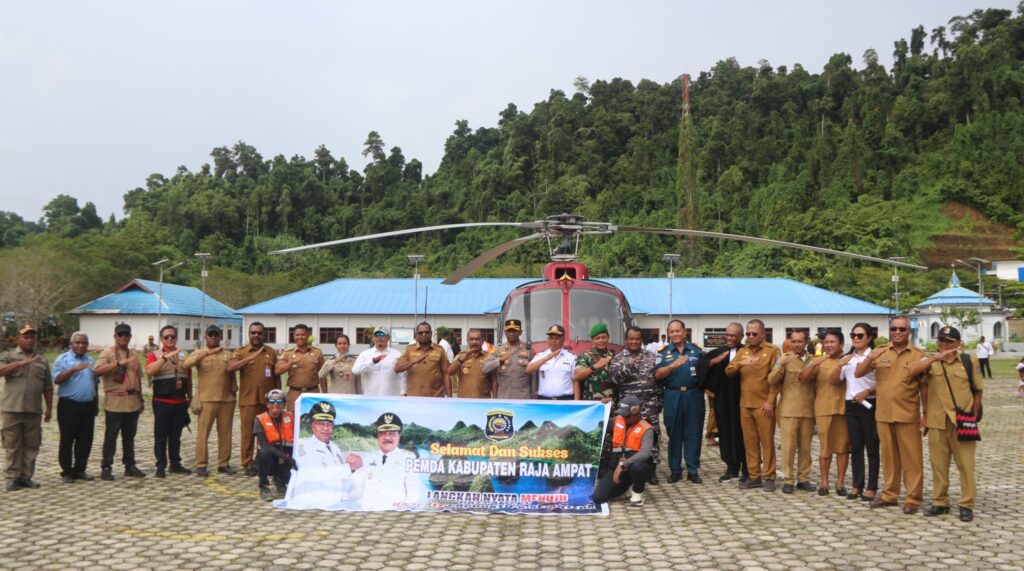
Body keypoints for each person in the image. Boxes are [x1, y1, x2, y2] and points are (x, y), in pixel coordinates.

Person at [910, 326, 983, 522]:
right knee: (938, 465)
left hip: (962, 421)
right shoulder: (931, 363)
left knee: (966, 465)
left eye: (949, 341)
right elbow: (917, 379)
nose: (944, 344)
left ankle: (966, 504)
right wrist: (935, 358)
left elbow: (978, 390)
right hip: (937, 420)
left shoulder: (969, 361)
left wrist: (973, 416)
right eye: (941, 340)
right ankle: (940, 502)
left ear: (959, 344)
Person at [854, 315, 926, 514]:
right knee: (889, 457)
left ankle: (913, 497)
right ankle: (889, 494)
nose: (897, 332)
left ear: (909, 331)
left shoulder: (918, 355)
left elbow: (924, 387)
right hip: (883, 413)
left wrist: (926, 413)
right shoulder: (880, 352)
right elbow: (858, 373)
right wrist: (871, 356)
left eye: (902, 329)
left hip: (907, 413)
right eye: (893, 329)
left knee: (912, 458)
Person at [725, 319, 781, 491]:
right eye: (748, 334)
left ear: (763, 334)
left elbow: (777, 378)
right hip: (746, 404)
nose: (751, 337)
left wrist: (770, 400)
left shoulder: (772, 351)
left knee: (767, 442)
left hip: (764, 405)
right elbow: (729, 371)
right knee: (750, 443)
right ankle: (754, 475)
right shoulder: (743, 352)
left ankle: (770, 476)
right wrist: (740, 363)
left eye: (754, 333)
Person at [0, 324, 53, 491]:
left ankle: (26, 477)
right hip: (12, 409)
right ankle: (12, 477)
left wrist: (49, 408)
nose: (29, 340)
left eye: (32, 337)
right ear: (18, 339)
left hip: (33, 410)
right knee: (13, 445)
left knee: (32, 445)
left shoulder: (42, 360)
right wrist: (21, 364)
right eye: (26, 336)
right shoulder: (9, 356)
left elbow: (48, 387)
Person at [609, 327, 663, 483]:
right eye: (631, 339)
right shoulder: (618, 359)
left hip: (649, 406)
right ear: (626, 340)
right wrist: (629, 366)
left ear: (642, 340)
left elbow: (659, 382)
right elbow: (614, 380)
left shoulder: (653, 357)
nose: (634, 341)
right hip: (628, 412)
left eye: (637, 339)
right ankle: (625, 469)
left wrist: (659, 402)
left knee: (652, 439)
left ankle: (651, 471)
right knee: (627, 439)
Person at [93, 323, 146, 481]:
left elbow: (138, 378)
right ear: (115, 336)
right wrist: (117, 363)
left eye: (126, 334)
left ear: (130, 337)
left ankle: (130, 466)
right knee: (111, 437)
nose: (123, 337)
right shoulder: (108, 353)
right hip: (115, 403)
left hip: (132, 402)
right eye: (120, 334)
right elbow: (97, 371)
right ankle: (106, 467)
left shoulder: (133, 355)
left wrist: (141, 399)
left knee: (129, 437)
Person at [655, 319, 705, 484]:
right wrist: (673, 366)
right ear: (668, 334)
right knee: (674, 433)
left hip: (693, 396)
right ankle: (675, 470)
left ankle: (692, 470)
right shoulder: (663, 353)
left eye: (678, 331)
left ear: (685, 332)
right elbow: (657, 375)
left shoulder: (697, 351)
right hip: (673, 396)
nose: (675, 334)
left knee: (693, 433)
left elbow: (705, 372)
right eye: (671, 331)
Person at [286, 400, 362, 508]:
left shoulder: (334, 447)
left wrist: (353, 467)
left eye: (329, 424)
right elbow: (315, 474)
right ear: (312, 425)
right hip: (316, 500)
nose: (326, 428)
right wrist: (348, 468)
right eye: (321, 423)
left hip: (337, 498)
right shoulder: (304, 447)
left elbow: (338, 474)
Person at [801, 330, 849, 496]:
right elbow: (803, 377)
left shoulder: (848, 359)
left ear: (841, 344)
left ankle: (841, 483)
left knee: (843, 448)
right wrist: (814, 363)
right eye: (826, 342)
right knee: (825, 448)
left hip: (843, 409)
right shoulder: (817, 360)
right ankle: (824, 482)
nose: (829, 345)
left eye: (832, 342)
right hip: (823, 409)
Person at [228, 321, 279, 477]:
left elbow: (276, 375)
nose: (256, 335)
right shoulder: (241, 352)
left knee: (268, 433)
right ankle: (247, 462)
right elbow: (230, 367)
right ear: (249, 334)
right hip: (248, 399)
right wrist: (249, 358)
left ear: (264, 334)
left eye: (259, 333)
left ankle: (265, 461)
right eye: (253, 333)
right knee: (248, 434)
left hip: (267, 401)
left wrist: (277, 396)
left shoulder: (270, 352)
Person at [185, 325, 237, 477]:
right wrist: (206, 353)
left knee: (225, 433)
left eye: (216, 335)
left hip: (226, 399)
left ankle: (224, 463)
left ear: (220, 337)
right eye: (210, 335)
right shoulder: (199, 352)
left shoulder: (228, 354)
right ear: (205, 337)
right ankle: (201, 464)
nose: (213, 338)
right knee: (203, 434)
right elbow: (186, 364)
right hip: (207, 399)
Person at [698, 322, 747, 482]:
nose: (730, 338)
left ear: (741, 336)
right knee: (725, 433)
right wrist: (712, 362)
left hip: (743, 400)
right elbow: (701, 367)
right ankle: (731, 468)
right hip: (723, 400)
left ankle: (747, 468)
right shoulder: (718, 352)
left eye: (734, 335)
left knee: (744, 435)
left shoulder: (747, 352)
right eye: (728, 334)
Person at [768, 329, 815, 494]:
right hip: (788, 411)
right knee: (788, 448)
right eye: (793, 341)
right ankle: (788, 479)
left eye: (799, 341)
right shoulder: (784, 359)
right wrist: (781, 364)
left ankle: (803, 478)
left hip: (808, 411)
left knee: (805, 448)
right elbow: (771, 380)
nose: (796, 344)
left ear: (806, 342)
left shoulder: (812, 361)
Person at [144, 325, 193, 478]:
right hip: (162, 402)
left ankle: (175, 464)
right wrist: (164, 358)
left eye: (172, 336)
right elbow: (150, 371)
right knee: (161, 436)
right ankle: (160, 466)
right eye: (166, 337)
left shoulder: (184, 354)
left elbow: (189, 376)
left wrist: (190, 396)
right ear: (161, 339)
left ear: (176, 338)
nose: (170, 339)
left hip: (179, 402)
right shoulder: (155, 354)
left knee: (175, 436)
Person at [839, 322, 880, 502]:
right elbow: (836, 380)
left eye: (860, 335)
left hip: (869, 404)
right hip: (851, 404)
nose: (856, 338)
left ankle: (871, 487)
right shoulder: (848, 357)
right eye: (853, 335)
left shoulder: (875, 357)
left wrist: (869, 391)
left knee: (871, 447)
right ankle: (857, 484)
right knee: (855, 447)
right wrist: (839, 364)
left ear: (870, 337)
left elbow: (885, 383)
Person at [350, 412, 424, 510]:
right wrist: (351, 469)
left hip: (393, 513)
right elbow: (355, 484)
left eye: (392, 434)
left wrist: (404, 511)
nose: (387, 438)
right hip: (366, 512)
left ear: (399, 437)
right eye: (383, 433)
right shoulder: (367, 457)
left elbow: (413, 491)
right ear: (378, 436)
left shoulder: (408, 458)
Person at [51, 331, 98, 483]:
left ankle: (80, 469)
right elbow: (57, 380)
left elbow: (95, 383)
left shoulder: (90, 360)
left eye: (84, 343)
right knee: (67, 439)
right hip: (68, 406)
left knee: (85, 439)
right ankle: (67, 471)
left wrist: (95, 404)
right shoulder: (62, 359)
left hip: (88, 405)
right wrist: (72, 370)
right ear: (71, 344)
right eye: (77, 342)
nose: (81, 345)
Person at [591, 396, 654, 507]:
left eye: (626, 415)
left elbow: (645, 453)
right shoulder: (617, 420)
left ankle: (637, 494)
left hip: (634, 467)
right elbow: (598, 424)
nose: (623, 418)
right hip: (617, 469)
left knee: (639, 467)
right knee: (598, 498)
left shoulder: (646, 429)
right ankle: (625, 487)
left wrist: (623, 464)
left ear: (636, 412)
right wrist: (600, 406)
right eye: (622, 414)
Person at [253, 389, 294, 501]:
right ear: (267, 404)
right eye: (272, 401)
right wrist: (285, 456)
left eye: (279, 401)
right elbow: (265, 446)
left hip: (286, 460)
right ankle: (263, 486)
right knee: (265, 452)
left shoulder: (290, 417)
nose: (275, 404)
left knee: (294, 486)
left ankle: (279, 479)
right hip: (269, 459)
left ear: (284, 404)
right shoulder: (259, 419)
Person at [275, 324, 325, 411]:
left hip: (312, 392)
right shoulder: (288, 353)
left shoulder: (317, 352)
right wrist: (290, 363)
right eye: (297, 335)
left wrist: (324, 395)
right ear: (293, 336)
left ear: (308, 336)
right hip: (294, 393)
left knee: (313, 418)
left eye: (303, 334)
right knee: (293, 420)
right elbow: (277, 371)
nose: (300, 337)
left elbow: (323, 375)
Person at [482, 320, 535, 399]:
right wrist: (500, 360)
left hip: (523, 397)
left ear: (520, 332)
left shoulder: (529, 350)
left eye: (515, 331)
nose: (512, 334)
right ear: (505, 332)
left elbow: (534, 376)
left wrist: (534, 395)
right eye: (509, 331)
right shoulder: (497, 349)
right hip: (503, 397)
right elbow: (484, 367)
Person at [396, 322, 451, 397]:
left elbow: (446, 373)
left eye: (426, 332)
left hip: (435, 397)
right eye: (421, 332)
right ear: (417, 334)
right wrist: (413, 361)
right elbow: (397, 368)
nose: (424, 334)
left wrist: (449, 396)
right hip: (414, 397)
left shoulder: (439, 350)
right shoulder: (409, 349)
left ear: (431, 333)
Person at [527, 325, 577, 400]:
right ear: (548, 340)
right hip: (544, 399)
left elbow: (576, 380)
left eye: (557, 338)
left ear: (563, 340)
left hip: (565, 399)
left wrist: (576, 402)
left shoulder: (571, 357)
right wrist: (547, 358)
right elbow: (528, 369)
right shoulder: (541, 355)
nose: (553, 341)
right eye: (551, 338)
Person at [351, 327, 406, 396]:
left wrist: (403, 391)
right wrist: (372, 362)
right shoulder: (365, 354)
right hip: (371, 397)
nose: (379, 338)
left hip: (391, 397)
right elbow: (355, 370)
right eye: (376, 336)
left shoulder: (397, 354)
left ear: (388, 338)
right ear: (373, 338)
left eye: (382, 335)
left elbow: (402, 375)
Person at [573, 323, 616, 402]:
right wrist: (595, 366)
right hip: (591, 403)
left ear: (608, 338)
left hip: (610, 402)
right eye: (597, 338)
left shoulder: (614, 355)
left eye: (603, 337)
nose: (601, 340)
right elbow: (577, 376)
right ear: (592, 340)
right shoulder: (585, 356)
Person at [449, 329, 493, 398]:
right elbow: (450, 372)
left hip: (483, 401)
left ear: (482, 341)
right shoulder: (460, 355)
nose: (474, 342)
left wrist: (495, 400)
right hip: (464, 401)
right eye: (471, 339)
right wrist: (461, 360)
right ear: (467, 341)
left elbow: (494, 381)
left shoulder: (489, 357)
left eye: (477, 339)